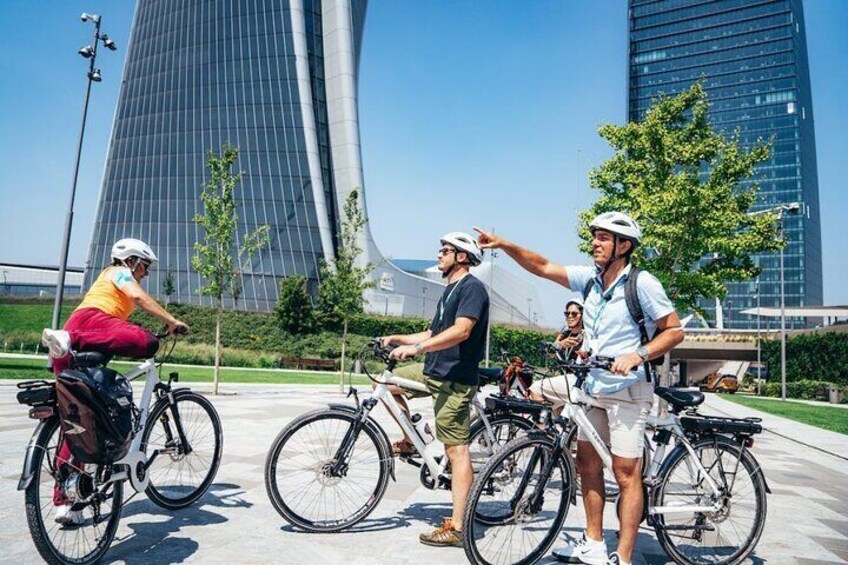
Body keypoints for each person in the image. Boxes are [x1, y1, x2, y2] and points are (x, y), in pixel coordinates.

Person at [475, 212, 683, 565]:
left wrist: (637, 354)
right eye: (595, 237)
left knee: (626, 473)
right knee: (587, 466)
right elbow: (541, 266)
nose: (595, 243)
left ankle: (625, 557)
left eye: (603, 238)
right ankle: (594, 544)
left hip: (629, 390)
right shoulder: (590, 280)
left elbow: (674, 330)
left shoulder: (642, 283)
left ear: (624, 245)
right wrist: (504, 244)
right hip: (593, 386)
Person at [42, 238, 189, 525]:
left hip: (78, 346)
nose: (146, 272)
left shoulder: (106, 278)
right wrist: (171, 321)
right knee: (146, 342)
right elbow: (137, 297)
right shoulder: (117, 272)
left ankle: (66, 502)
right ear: (131, 260)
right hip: (88, 326)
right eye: (145, 266)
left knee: (79, 422)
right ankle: (66, 339)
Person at [380, 231, 489, 547]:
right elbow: (433, 331)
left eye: (445, 250)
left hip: (455, 379)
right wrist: (399, 339)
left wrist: (418, 349)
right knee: (388, 382)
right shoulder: (450, 289)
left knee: (457, 451)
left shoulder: (472, 289)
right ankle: (411, 440)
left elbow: (461, 331)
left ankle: (457, 527)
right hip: (434, 371)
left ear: (462, 256)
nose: (439, 255)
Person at [529, 298, 585, 411]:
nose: (570, 316)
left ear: (583, 315)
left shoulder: (585, 335)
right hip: (564, 378)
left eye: (574, 313)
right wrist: (560, 345)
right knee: (554, 411)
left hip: (577, 380)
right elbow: (550, 355)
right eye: (567, 313)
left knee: (536, 389)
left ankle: (542, 427)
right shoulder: (564, 335)